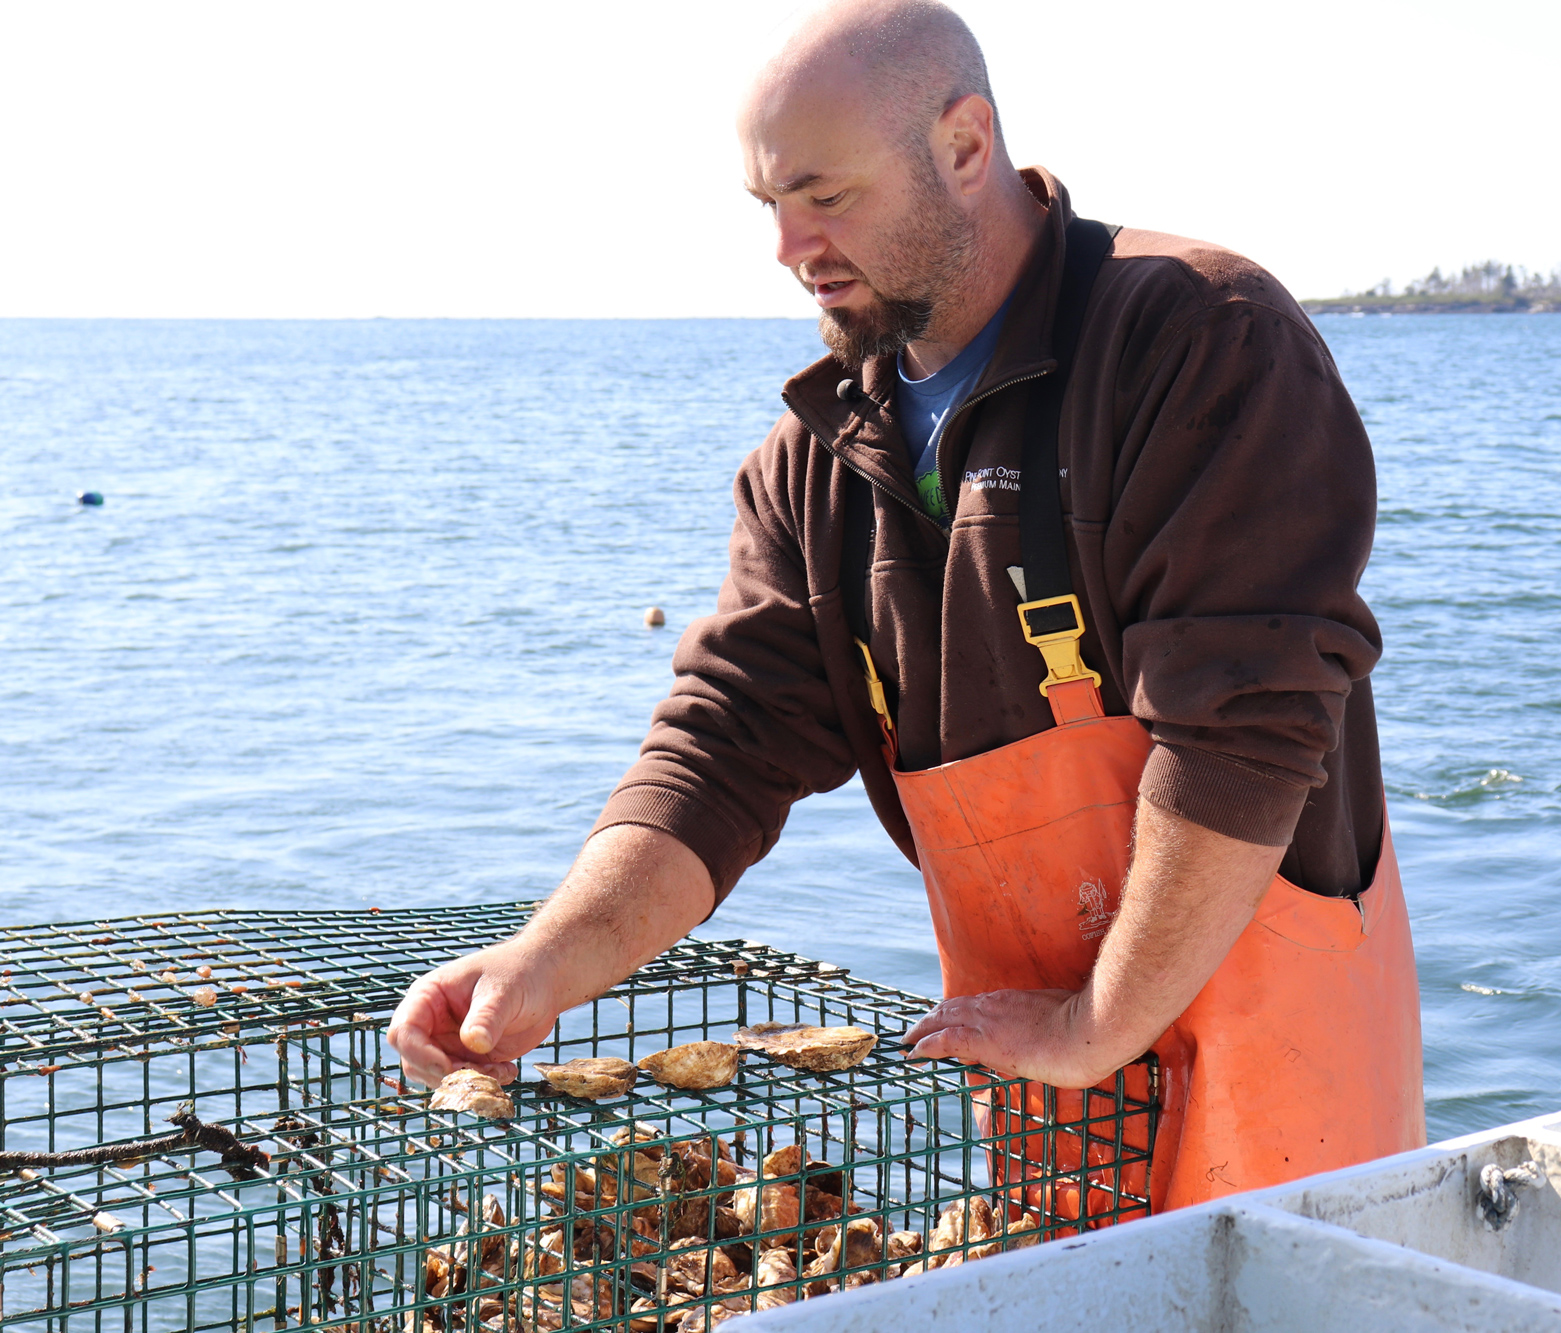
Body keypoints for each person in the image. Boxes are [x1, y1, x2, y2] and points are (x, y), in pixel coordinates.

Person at [388, 0, 1422, 1210]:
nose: (789, 245)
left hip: (1274, 1068)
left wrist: (1098, 1022)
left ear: (965, 146)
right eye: (767, 204)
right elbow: (718, 750)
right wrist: (538, 965)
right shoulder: (816, 460)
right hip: (1043, 1084)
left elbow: (1243, 724)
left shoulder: (1198, 336)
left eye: (825, 196)